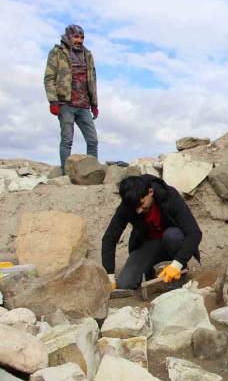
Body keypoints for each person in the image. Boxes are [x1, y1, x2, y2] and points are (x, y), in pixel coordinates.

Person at [102, 175, 202, 290]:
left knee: (172, 236)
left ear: (150, 192)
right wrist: (109, 276)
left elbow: (194, 233)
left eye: (142, 204)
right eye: (135, 207)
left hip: (171, 241)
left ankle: (178, 274)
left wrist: (177, 265)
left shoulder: (169, 196)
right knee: (125, 283)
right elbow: (109, 238)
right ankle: (149, 272)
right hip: (149, 244)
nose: (138, 211)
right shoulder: (130, 203)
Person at [43, 24, 99, 174]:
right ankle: (66, 173)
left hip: (84, 105)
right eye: (76, 37)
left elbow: (92, 79)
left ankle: (92, 172)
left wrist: (94, 104)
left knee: (93, 140)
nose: (79, 40)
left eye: (81, 37)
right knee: (67, 140)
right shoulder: (57, 52)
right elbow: (49, 78)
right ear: (68, 36)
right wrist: (53, 101)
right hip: (65, 103)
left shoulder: (88, 54)